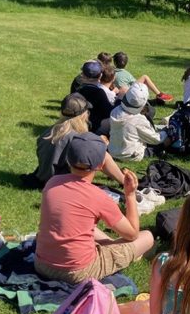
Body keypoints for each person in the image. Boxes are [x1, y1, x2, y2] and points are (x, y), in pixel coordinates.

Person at [35, 133, 154, 284]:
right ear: (100, 166)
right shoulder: (98, 196)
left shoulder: (52, 183)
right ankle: (119, 250)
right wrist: (130, 195)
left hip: (42, 264)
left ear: (68, 159)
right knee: (147, 237)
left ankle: (112, 245)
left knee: (84, 225)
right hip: (77, 271)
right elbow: (132, 234)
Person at [23, 93, 125, 189]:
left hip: (42, 178)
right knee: (101, 154)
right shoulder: (77, 138)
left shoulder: (49, 131)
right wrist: (100, 144)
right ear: (83, 115)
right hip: (60, 183)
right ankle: (124, 182)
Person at [108, 83, 171, 161]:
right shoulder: (138, 119)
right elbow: (156, 139)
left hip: (113, 151)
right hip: (130, 155)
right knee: (165, 142)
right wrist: (165, 131)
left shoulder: (115, 110)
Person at [76, 61, 117, 136]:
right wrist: (119, 101)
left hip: (78, 124)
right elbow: (109, 112)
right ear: (100, 76)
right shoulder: (99, 92)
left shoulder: (78, 90)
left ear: (83, 75)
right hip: (93, 128)